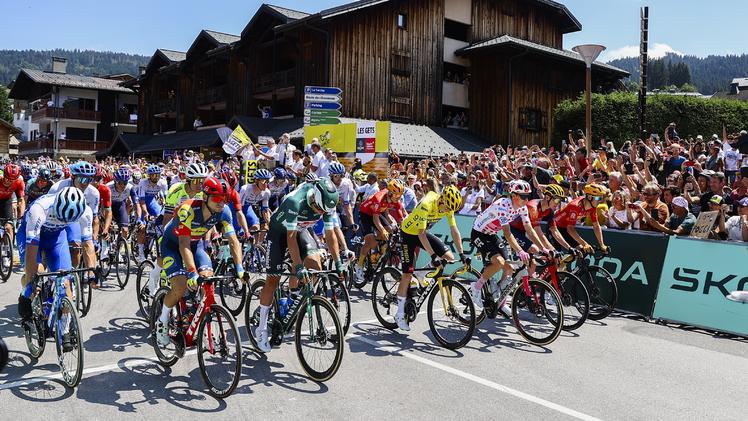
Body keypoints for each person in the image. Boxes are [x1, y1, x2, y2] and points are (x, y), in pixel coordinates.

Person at [154, 178, 244, 346]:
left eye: (225, 199)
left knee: (208, 280)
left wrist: (240, 268)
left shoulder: (224, 212)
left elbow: (233, 240)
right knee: (180, 285)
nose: (221, 203)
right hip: (173, 245)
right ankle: (162, 321)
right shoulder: (187, 209)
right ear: (205, 197)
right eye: (217, 199)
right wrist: (191, 273)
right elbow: (183, 244)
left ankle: (194, 313)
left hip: (196, 244)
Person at [255, 178, 341, 352]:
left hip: (301, 229)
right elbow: (290, 238)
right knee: (272, 281)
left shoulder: (328, 202)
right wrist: (298, 266)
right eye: (318, 209)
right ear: (313, 198)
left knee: (316, 267)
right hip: (280, 233)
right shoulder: (295, 201)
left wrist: (339, 262)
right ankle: (261, 327)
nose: (320, 213)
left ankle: (293, 299)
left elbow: (331, 235)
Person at [17, 187, 96, 350]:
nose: (65, 220)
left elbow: (88, 244)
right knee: (36, 273)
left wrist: (92, 271)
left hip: (56, 239)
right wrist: (32, 282)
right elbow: (31, 253)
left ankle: (65, 330)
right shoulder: (39, 209)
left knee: (66, 282)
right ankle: (25, 297)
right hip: (31, 237)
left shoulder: (85, 211)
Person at [395, 185, 467, 331]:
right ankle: (399, 313)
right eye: (447, 207)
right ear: (441, 200)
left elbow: (454, 230)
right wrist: (433, 256)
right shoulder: (427, 203)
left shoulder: (448, 205)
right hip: (408, 234)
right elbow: (421, 235)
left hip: (421, 233)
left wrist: (462, 254)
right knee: (407, 274)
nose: (448, 211)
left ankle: (421, 274)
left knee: (449, 257)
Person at [470, 180, 545, 311]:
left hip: (492, 234)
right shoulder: (502, 205)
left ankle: (500, 300)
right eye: (523, 196)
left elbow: (530, 230)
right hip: (479, 233)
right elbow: (507, 232)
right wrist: (520, 251)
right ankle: (476, 288)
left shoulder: (522, 208)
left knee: (509, 267)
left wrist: (543, 248)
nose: (526, 199)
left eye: (528, 196)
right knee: (499, 262)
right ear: (514, 195)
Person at [48, 161, 100, 269]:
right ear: (73, 177)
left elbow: (94, 219)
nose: (85, 183)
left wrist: (94, 239)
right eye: (82, 179)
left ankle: (72, 276)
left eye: (89, 180)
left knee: (76, 250)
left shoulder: (93, 193)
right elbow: (48, 214)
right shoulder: (56, 188)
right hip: (56, 219)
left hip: (77, 220)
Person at [355, 179, 406, 279]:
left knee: (391, 231)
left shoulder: (395, 198)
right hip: (366, 213)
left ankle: (378, 255)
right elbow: (375, 218)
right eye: (395, 195)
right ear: (390, 192)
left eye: (399, 196)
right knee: (370, 241)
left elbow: (401, 216)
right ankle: (359, 266)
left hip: (379, 213)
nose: (397, 198)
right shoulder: (379, 198)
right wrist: (382, 230)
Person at [553, 183, 610, 253]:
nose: (600, 201)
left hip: (565, 228)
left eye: (601, 198)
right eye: (598, 198)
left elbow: (596, 226)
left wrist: (602, 245)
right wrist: (585, 243)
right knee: (556, 257)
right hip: (554, 226)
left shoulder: (592, 207)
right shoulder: (575, 206)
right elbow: (570, 229)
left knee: (581, 251)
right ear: (589, 197)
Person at [135, 164, 168, 262]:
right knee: (142, 227)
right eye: (153, 175)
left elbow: (167, 199)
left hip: (152, 201)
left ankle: (153, 245)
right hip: (140, 202)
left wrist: (165, 213)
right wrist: (145, 213)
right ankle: (140, 253)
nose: (156, 177)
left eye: (157, 175)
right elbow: (141, 201)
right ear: (149, 176)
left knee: (160, 223)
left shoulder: (163, 182)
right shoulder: (143, 183)